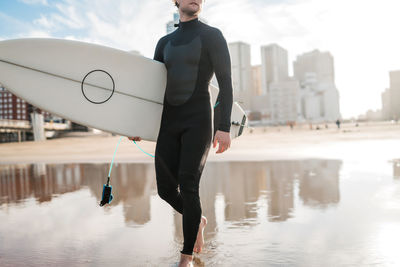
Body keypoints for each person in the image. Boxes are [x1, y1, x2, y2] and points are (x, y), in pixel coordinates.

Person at [129, 0, 233, 266]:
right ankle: (197, 219)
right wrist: (138, 125)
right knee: (165, 189)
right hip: (169, 122)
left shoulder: (212, 36)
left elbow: (225, 83)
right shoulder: (164, 43)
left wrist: (224, 127)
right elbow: (153, 91)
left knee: (188, 185)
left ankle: (186, 256)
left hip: (198, 121)